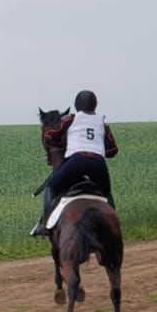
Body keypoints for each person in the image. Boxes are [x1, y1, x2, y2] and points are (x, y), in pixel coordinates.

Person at [33, 90, 119, 237]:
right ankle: (113, 226)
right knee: (106, 193)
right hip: (98, 164)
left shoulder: (70, 119)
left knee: (51, 187)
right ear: (95, 106)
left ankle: (45, 225)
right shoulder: (103, 123)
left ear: (77, 106)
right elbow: (113, 151)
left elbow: (50, 135)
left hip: (77, 161)